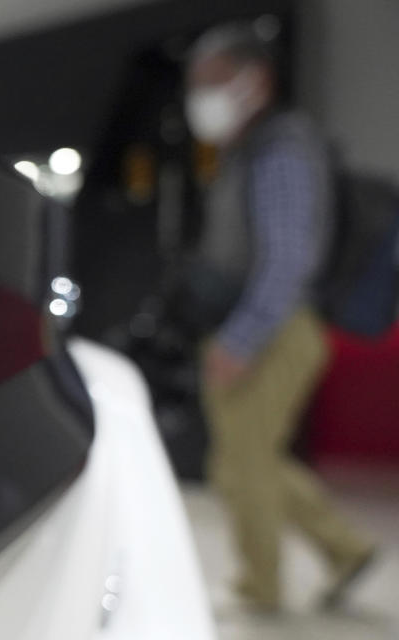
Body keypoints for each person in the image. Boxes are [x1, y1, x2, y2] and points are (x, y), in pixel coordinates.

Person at [184, 23, 376, 612]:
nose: (201, 97)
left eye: (212, 81)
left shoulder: (284, 147)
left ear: (255, 80)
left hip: (274, 327)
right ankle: (345, 551)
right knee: (251, 459)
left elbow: (289, 256)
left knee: (242, 466)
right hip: (259, 323)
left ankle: (260, 591)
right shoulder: (249, 150)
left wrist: (241, 339)